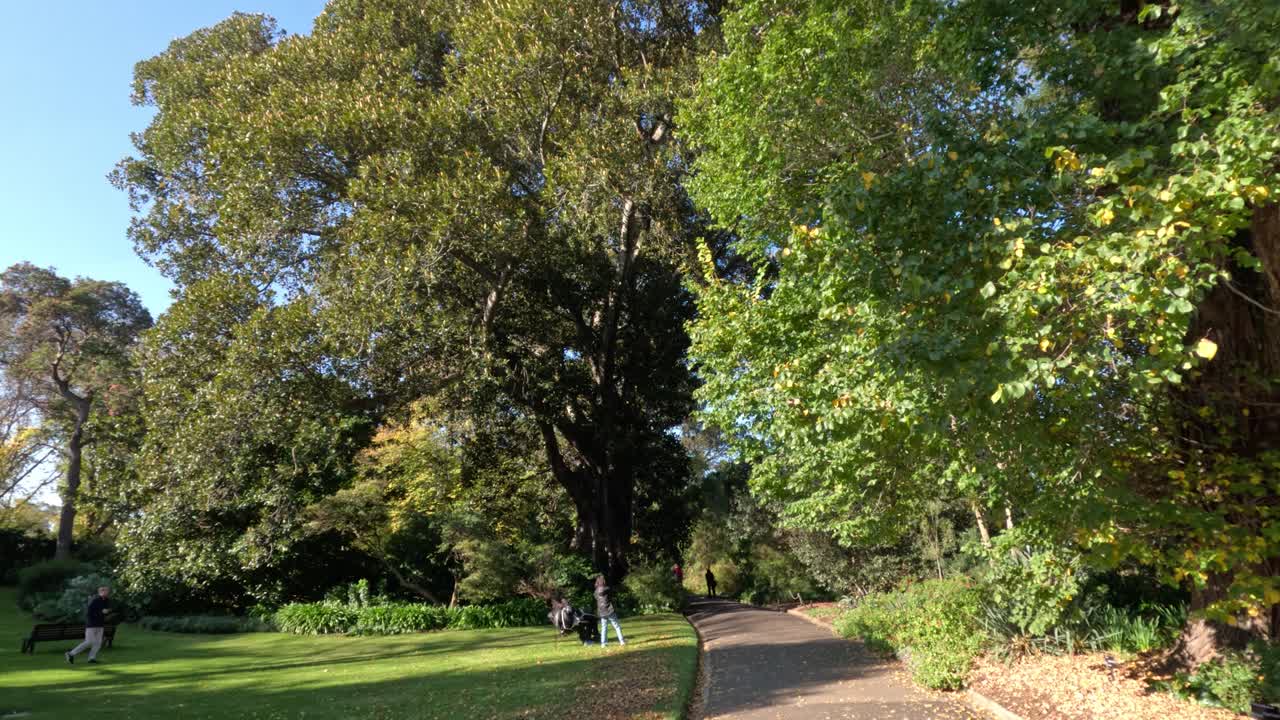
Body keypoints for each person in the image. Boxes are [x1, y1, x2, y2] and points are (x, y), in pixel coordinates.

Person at [66, 586, 111, 665]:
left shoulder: (106, 600)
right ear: (100, 592)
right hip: (92, 624)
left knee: (98, 643)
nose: (107, 592)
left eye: (107, 591)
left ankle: (91, 658)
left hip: (100, 624)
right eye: (105, 591)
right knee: (89, 641)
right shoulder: (95, 601)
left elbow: (106, 610)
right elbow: (89, 613)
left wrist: (107, 611)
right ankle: (71, 654)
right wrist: (101, 612)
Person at [594, 575, 624, 647]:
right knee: (617, 626)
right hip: (609, 610)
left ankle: (603, 643)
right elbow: (611, 595)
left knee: (604, 628)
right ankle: (622, 641)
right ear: (603, 582)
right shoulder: (607, 589)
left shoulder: (595, 592)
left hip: (602, 612)